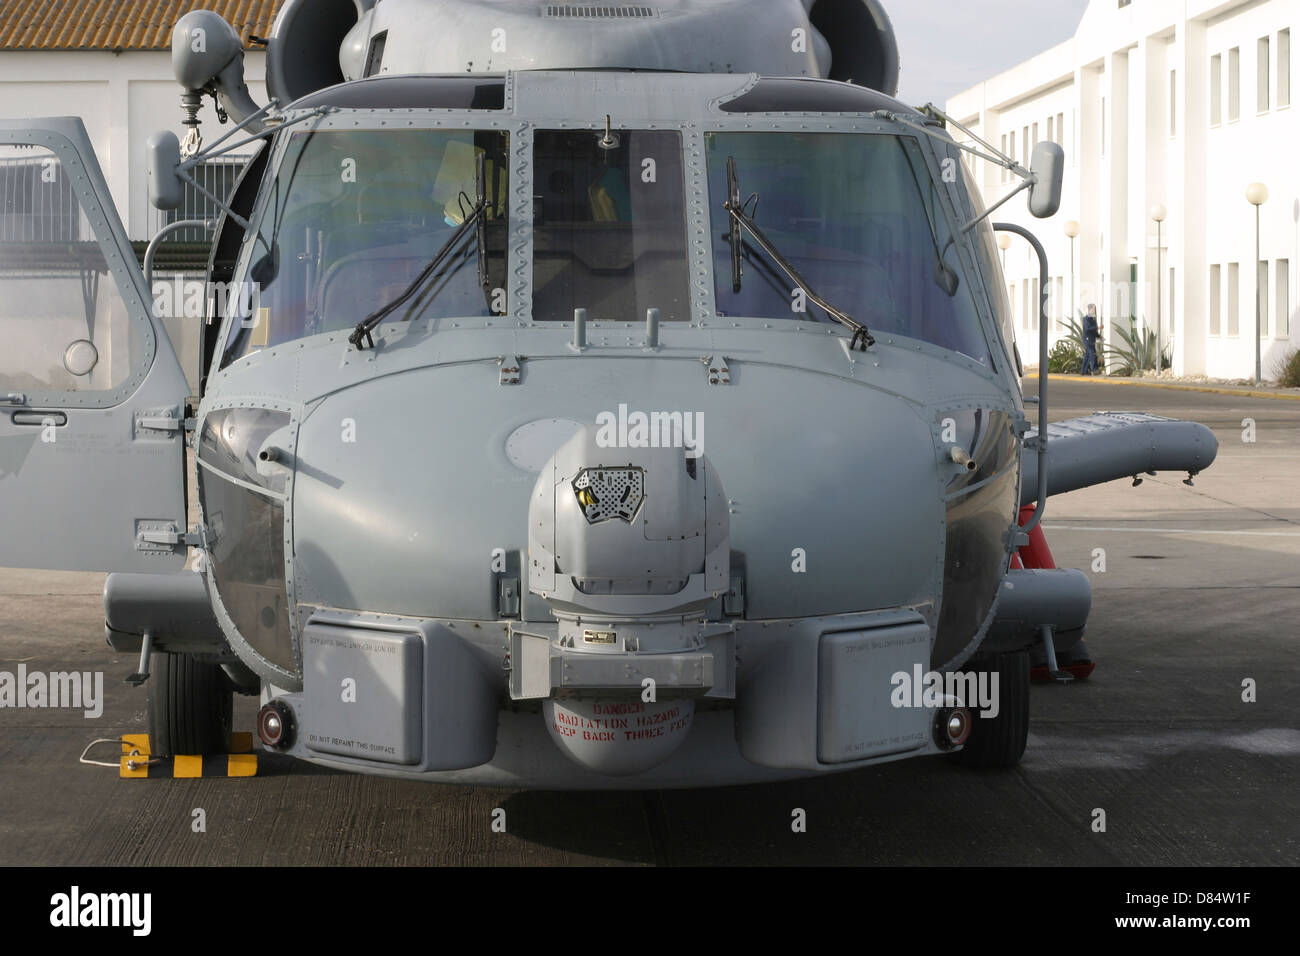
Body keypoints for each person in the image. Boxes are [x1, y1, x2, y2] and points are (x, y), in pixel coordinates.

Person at [1081, 303, 1103, 375]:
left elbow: (1094, 331)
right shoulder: (1086, 319)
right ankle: (1095, 370)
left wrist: (1099, 336)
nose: (1094, 311)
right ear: (1089, 310)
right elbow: (1087, 329)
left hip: (1092, 339)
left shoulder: (1093, 319)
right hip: (1087, 339)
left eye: (1095, 309)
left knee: (1087, 355)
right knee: (1092, 354)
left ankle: (1083, 371)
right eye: (1093, 309)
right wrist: (1098, 327)